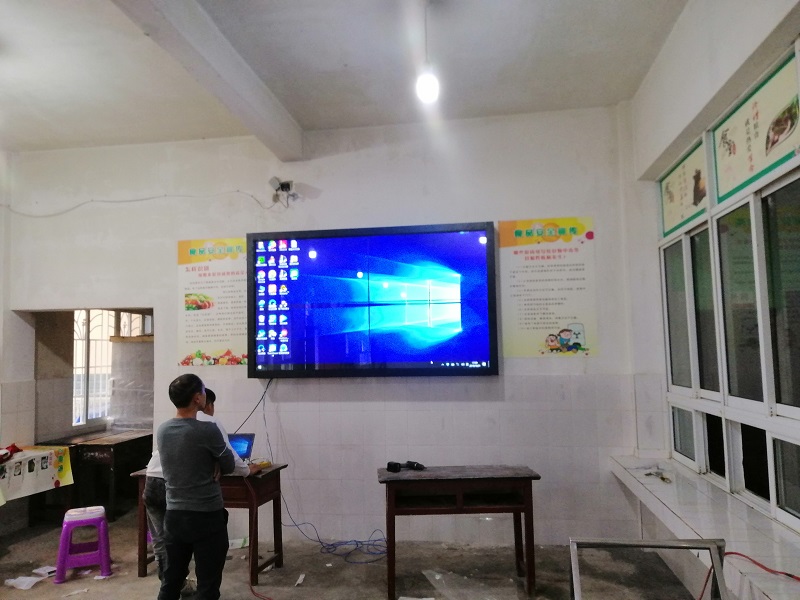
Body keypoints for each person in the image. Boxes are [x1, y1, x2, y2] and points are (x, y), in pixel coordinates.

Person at [144, 387, 262, 590]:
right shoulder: (209, 423)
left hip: (152, 483)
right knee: (206, 544)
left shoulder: (167, 427)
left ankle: (172, 587)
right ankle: (202, 587)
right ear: (203, 402)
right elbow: (231, 461)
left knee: (164, 542)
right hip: (184, 495)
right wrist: (247, 470)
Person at [156, 374, 234, 600]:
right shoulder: (207, 430)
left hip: (174, 517)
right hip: (207, 517)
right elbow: (228, 465)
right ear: (198, 398)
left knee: (171, 580)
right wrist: (216, 461)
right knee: (207, 584)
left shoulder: (163, 430)